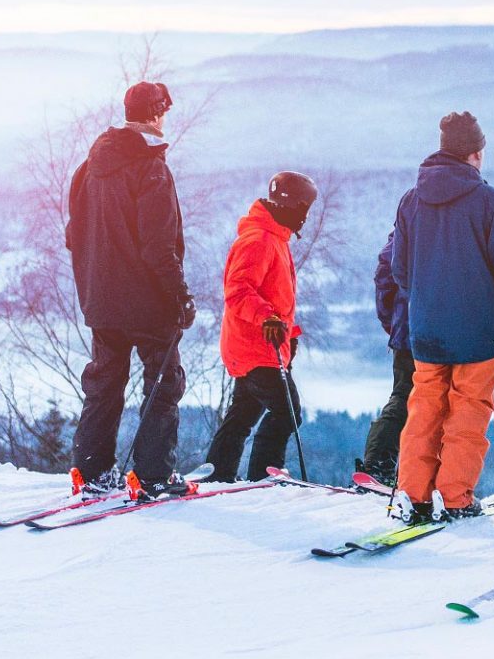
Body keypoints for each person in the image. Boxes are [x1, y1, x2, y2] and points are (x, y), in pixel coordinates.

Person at [390, 111, 494, 523]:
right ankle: (453, 496)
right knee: (468, 411)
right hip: (477, 331)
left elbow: (399, 270)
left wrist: (427, 297)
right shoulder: (489, 201)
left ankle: (412, 492)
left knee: (424, 408)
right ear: (475, 153)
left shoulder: (411, 200)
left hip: (426, 331)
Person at [65, 81, 195, 500]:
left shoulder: (90, 166)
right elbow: (158, 245)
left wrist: (93, 283)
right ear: (156, 115)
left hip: (102, 299)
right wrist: (180, 296)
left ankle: (90, 471)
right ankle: (154, 476)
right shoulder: (150, 167)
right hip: (147, 302)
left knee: (104, 381)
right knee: (163, 382)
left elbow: (74, 234)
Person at [204, 172, 318, 482]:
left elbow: (275, 296)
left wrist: (288, 333)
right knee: (287, 412)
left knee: (243, 413)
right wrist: (266, 318)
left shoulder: (275, 238)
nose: (305, 217)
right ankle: (265, 475)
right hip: (254, 345)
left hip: (259, 344)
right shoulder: (260, 240)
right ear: (289, 205)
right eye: (303, 208)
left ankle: (217, 471)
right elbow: (238, 289)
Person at [355, 230, 413, 485]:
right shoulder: (471, 213)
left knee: (404, 395)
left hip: (408, 329)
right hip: (450, 333)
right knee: (438, 402)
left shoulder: (410, 212)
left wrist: (393, 320)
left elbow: (384, 274)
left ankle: (378, 464)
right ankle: (384, 466)